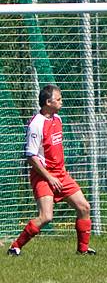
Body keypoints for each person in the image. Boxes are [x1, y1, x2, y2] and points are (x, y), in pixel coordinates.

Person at [8, 85, 95, 256]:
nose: (61, 102)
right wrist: (49, 177)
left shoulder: (58, 120)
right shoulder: (36, 124)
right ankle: (15, 246)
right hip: (43, 175)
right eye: (59, 99)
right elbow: (31, 156)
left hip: (60, 174)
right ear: (48, 102)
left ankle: (83, 251)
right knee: (46, 217)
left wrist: (61, 171)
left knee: (84, 207)